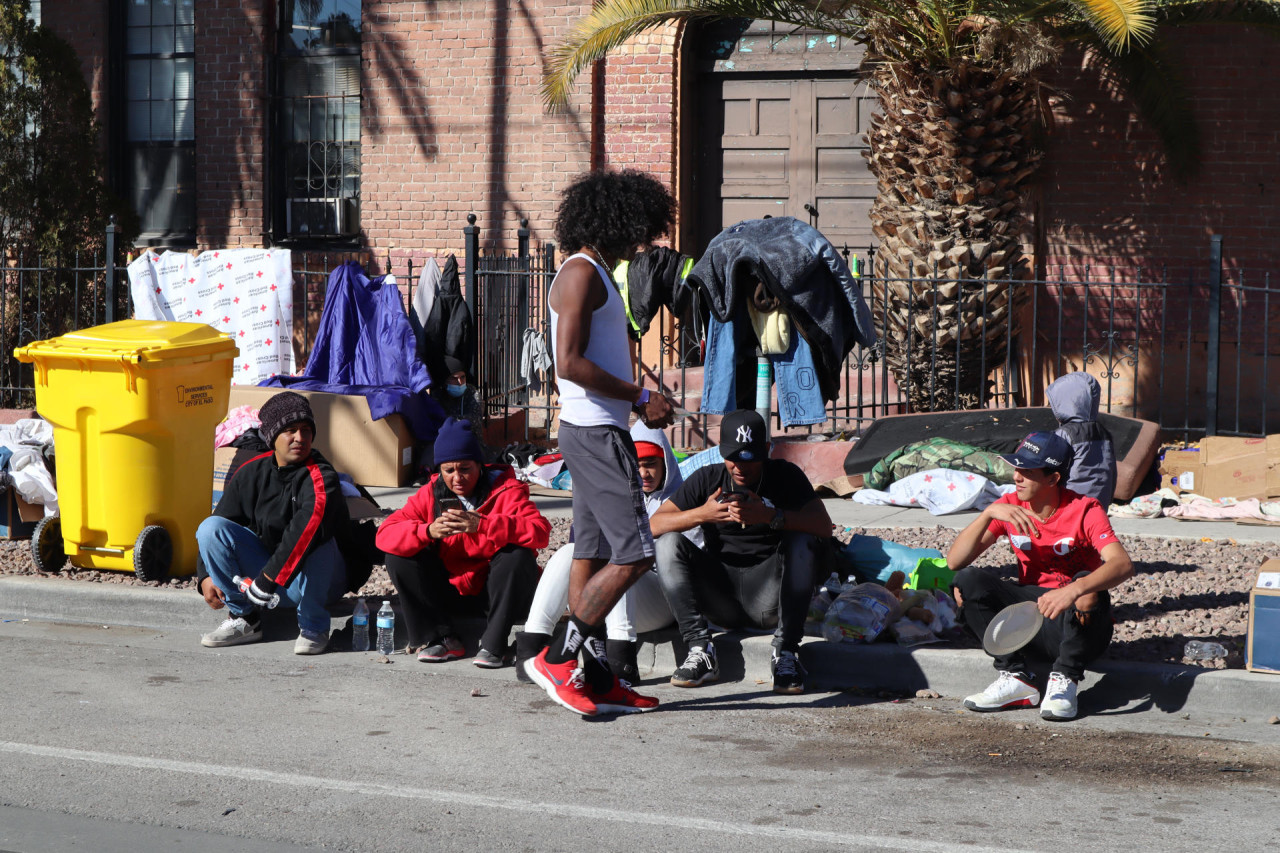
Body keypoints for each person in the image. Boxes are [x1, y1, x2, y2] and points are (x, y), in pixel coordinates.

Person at [522, 169, 678, 717]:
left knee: (591, 550)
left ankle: (595, 674)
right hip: (594, 433)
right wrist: (639, 397)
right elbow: (568, 363)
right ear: (618, 220)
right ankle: (558, 660)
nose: (643, 241)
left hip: (594, 430)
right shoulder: (581, 274)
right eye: (639, 229)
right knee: (635, 553)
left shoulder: (598, 273)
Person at [947, 431, 1134, 721]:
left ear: (1053, 479)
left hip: (1077, 626)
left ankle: (1065, 679)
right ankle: (1015, 678)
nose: (1017, 477)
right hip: (1030, 623)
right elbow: (955, 561)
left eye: (1027, 471)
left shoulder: (1085, 509)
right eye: (1016, 468)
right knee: (966, 582)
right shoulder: (1010, 505)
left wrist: (1073, 589)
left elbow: (1122, 564)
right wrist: (988, 514)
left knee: (1086, 590)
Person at [648, 410, 833, 695]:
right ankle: (700, 649)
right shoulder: (708, 478)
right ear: (720, 451)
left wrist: (772, 516)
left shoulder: (785, 475)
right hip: (720, 595)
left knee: (801, 540)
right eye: (732, 457)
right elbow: (654, 524)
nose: (739, 467)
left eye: (749, 459)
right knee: (668, 542)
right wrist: (703, 514)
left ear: (767, 451)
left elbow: (823, 526)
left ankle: (785, 653)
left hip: (768, 595)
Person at [517, 421, 694, 683]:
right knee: (569, 552)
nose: (644, 473)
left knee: (624, 559)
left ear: (666, 463)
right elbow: (584, 555)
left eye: (651, 464)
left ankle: (621, 665)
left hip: (661, 599)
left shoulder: (681, 497)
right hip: (604, 601)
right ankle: (531, 651)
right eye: (638, 464)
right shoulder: (610, 497)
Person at [376, 417, 549, 666]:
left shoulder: (507, 490)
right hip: (450, 593)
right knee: (398, 555)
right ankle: (441, 639)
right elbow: (384, 534)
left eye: (465, 469)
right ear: (439, 471)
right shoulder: (429, 494)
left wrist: (484, 525)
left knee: (517, 554)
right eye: (449, 470)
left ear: (480, 466)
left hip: (497, 595)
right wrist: (427, 531)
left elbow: (540, 531)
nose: (457, 478)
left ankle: (493, 646)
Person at [196, 391, 349, 655]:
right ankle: (245, 619)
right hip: (265, 586)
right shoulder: (251, 472)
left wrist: (267, 579)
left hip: (314, 582)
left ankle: (314, 626)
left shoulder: (321, 475)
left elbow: (306, 528)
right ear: (272, 437)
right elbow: (219, 523)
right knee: (210, 528)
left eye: (305, 430)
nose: (300, 438)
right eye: (290, 430)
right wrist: (205, 577)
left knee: (318, 538)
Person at [1048, 371, 1117, 506]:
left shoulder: (1064, 434)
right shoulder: (1104, 432)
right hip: (1101, 500)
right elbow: (1112, 471)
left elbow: (1053, 471)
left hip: (1072, 501)